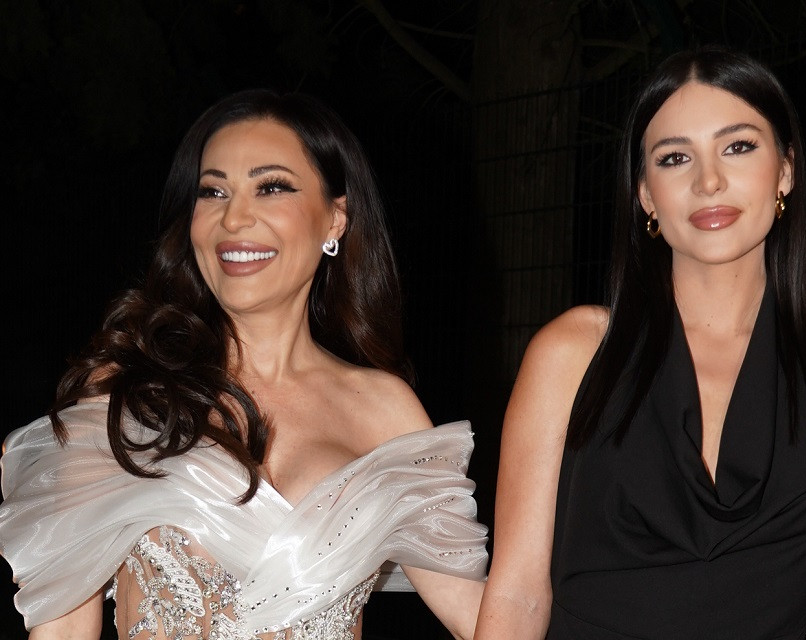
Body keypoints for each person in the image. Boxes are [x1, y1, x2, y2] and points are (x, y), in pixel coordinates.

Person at [473, 47, 806, 640]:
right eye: (675, 158)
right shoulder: (573, 353)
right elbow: (518, 594)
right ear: (646, 194)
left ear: (786, 171)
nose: (709, 181)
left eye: (738, 147)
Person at [0, 89, 488, 640]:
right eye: (213, 192)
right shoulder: (127, 394)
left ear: (335, 219)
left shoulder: (385, 410)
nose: (234, 218)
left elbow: (485, 619)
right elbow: (63, 629)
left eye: (271, 187)